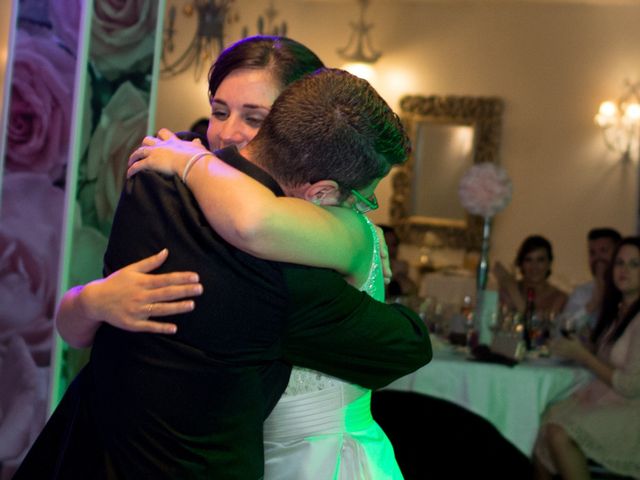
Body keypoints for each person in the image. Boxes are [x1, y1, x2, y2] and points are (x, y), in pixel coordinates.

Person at [15, 60, 431, 480]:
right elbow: (405, 345)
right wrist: (356, 241)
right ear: (321, 190)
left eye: (253, 117)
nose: (230, 132)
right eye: (220, 110)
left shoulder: (151, 180)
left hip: (85, 456)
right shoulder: (285, 273)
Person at [533, 236, 640, 479]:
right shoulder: (621, 311)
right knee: (541, 422)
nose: (624, 270)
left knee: (559, 433)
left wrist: (583, 356)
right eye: (620, 263)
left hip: (633, 411)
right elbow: (609, 359)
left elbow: (631, 385)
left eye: (635, 265)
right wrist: (587, 346)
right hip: (612, 400)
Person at [562, 228, 622, 334]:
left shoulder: (629, 290)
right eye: (592, 253)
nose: (597, 258)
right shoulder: (582, 293)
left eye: (604, 251)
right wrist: (592, 305)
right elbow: (563, 331)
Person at [494, 235, 568, 317]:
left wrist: (515, 297)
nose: (534, 267)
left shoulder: (559, 298)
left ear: (549, 263)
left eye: (540, 260)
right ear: (521, 264)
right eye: (528, 260)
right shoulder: (507, 291)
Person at [379, 224, 417, 299]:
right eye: (386, 244)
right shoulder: (368, 269)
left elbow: (412, 294)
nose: (390, 249)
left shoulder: (399, 267)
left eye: (393, 245)